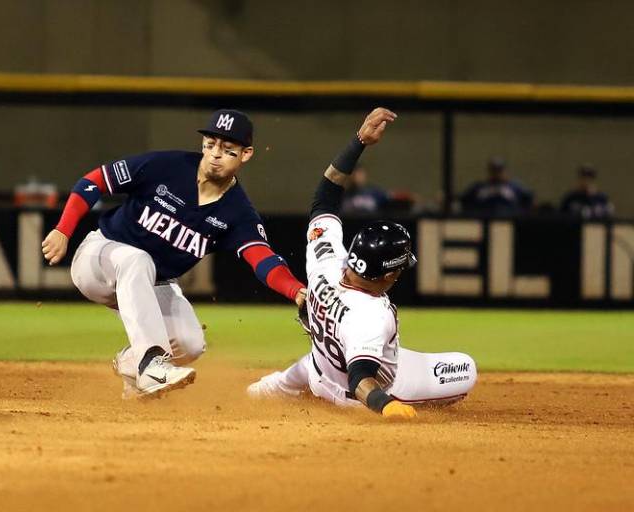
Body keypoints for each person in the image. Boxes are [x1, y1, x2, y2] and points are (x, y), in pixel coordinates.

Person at [41, 109, 306, 397]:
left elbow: (263, 260)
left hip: (154, 282)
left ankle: (132, 363)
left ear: (246, 154)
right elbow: (94, 181)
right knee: (137, 259)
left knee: (189, 344)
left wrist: (296, 291)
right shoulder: (167, 166)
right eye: (211, 144)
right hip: (99, 258)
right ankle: (150, 365)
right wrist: (63, 230)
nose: (216, 154)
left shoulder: (238, 212)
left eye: (228, 149)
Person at [247, 108, 477, 418]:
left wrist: (359, 141)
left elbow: (325, 197)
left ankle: (265, 390)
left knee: (268, 389)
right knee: (465, 368)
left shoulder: (326, 260)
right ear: (389, 274)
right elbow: (360, 380)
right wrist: (386, 405)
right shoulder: (371, 316)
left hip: (318, 369)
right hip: (358, 393)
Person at [459, 157, 533, 215]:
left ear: (505, 171)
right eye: (494, 171)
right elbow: (464, 201)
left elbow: (529, 201)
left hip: (509, 221)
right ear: (489, 172)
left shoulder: (515, 187)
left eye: (499, 171)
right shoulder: (479, 187)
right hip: (484, 221)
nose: (497, 174)